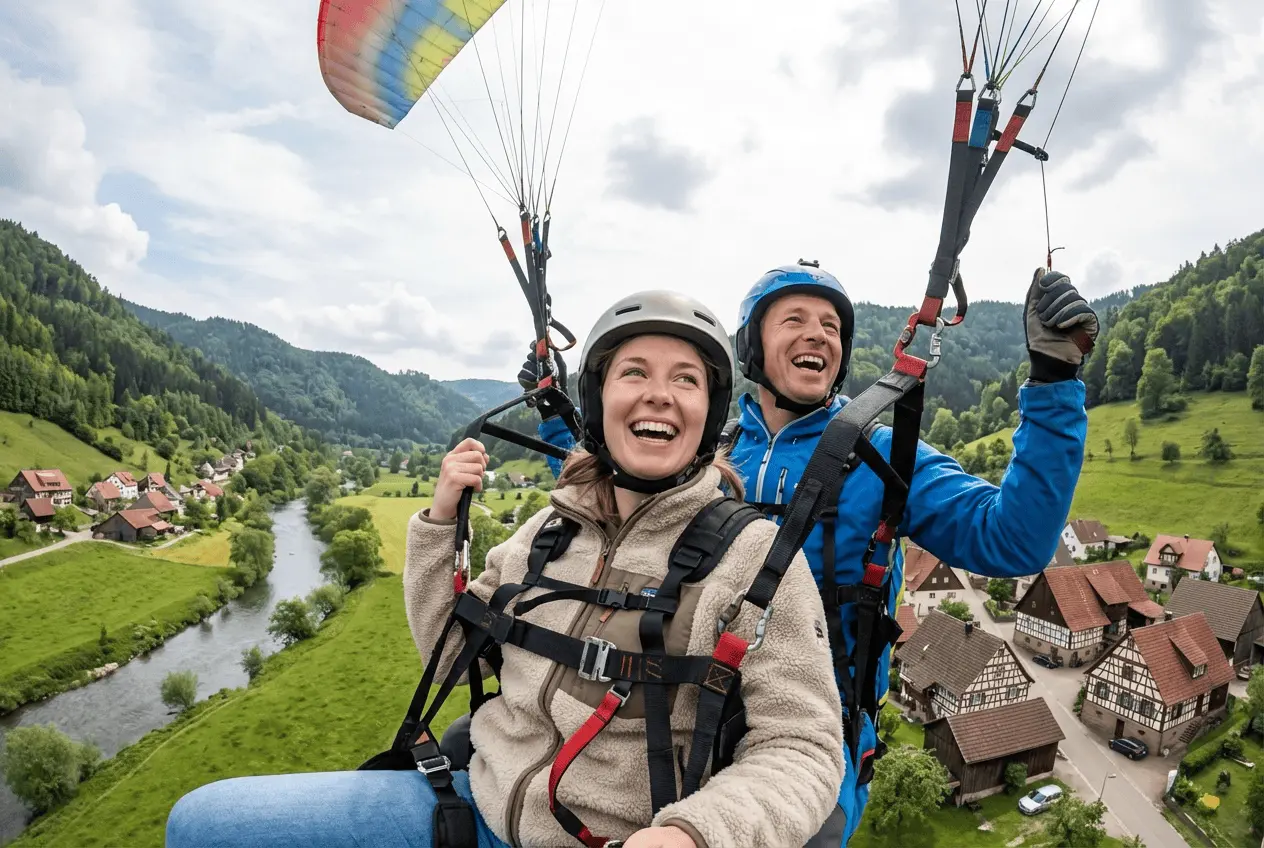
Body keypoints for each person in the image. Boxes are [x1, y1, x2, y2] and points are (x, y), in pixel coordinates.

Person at [165, 290, 844, 848]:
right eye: (634, 372)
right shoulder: (549, 530)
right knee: (199, 823)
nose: (659, 395)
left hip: (614, 837)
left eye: (685, 380)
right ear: (601, 401)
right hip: (476, 803)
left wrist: (695, 836)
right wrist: (437, 526)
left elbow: (804, 750)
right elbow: (450, 655)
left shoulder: (754, 558)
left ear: (708, 413)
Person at [528, 263, 1096, 842]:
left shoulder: (879, 456)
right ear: (752, 345)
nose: (818, 334)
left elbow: (1013, 539)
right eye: (794, 319)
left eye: (831, 326)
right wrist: (556, 417)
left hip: (817, 740)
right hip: (684, 719)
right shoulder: (709, 449)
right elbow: (614, 491)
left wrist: (1053, 381)